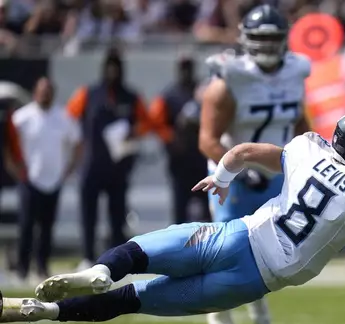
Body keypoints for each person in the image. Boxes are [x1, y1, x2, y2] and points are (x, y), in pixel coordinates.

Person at [0, 110, 345, 324]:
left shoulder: (307, 148)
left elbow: (247, 150)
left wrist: (224, 178)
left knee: (139, 249)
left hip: (236, 233)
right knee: (136, 301)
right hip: (255, 278)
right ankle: (35, 313)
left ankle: (96, 270)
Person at [198, 4, 310, 324]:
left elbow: (299, 122)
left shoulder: (296, 72)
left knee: (268, 246)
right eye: (260, 38)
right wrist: (237, 170)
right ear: (246, 40)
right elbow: (207, 140)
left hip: (275, 170)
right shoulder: (227, 81)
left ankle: (255, 297)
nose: (267, 45)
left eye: (273, 38)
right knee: (225, 245)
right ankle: (218, 315)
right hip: (232, 172)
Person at [67, 47, 169, 271]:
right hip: (92, 165)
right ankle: (87, 256)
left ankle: (114, 261)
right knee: (89, 215)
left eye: (117, 66)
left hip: (119, 168)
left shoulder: (131, 97)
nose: (113, 71)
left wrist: (135, 131)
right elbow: (69, 118)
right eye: (109, 66)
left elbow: (149, 122)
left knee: (117, 218)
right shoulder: (88, 94)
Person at [13, 77, 82, 284]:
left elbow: (77, 142)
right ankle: (22, 268)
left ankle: (42, 266)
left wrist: (69, 169)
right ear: (35, 92)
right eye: (41, 91)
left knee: (47, 226)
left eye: (48, 91)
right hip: (29, 178)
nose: (45, 95)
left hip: (53, 180)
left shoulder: (63, 116)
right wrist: (15, 167)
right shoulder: (22, 117)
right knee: (26, 225)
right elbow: (9, 143)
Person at [149, 55, 210, 225]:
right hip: (180, 163)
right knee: (180, 210)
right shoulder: (169, 95)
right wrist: (172, 139)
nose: (186, 72)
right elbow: (156, 123)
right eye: (183, 68)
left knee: (208, 210)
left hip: (201, 159)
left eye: (188, 67)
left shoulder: (204, 92)